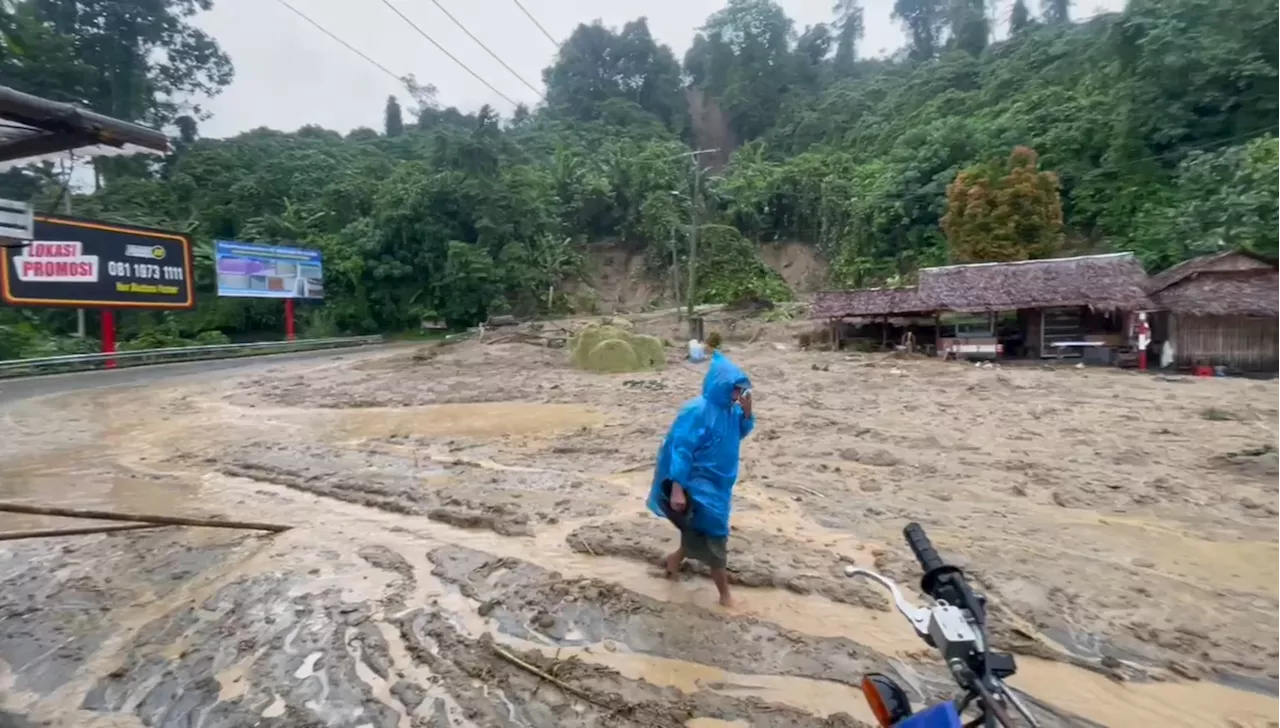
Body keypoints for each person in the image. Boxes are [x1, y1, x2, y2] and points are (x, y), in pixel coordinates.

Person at [647, 350, 754, 607]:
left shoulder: (730, 411)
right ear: (722, 386)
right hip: (697, 483)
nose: (739, 395)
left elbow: (742, 432)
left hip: (719, 483)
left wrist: (748, 412)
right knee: (716, 535)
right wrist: (677, 488)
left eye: (742, 391)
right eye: (736, 390)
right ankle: (725, 597)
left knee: (698, 529)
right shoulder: (697, 411)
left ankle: (674, 562)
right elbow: (680, 451)